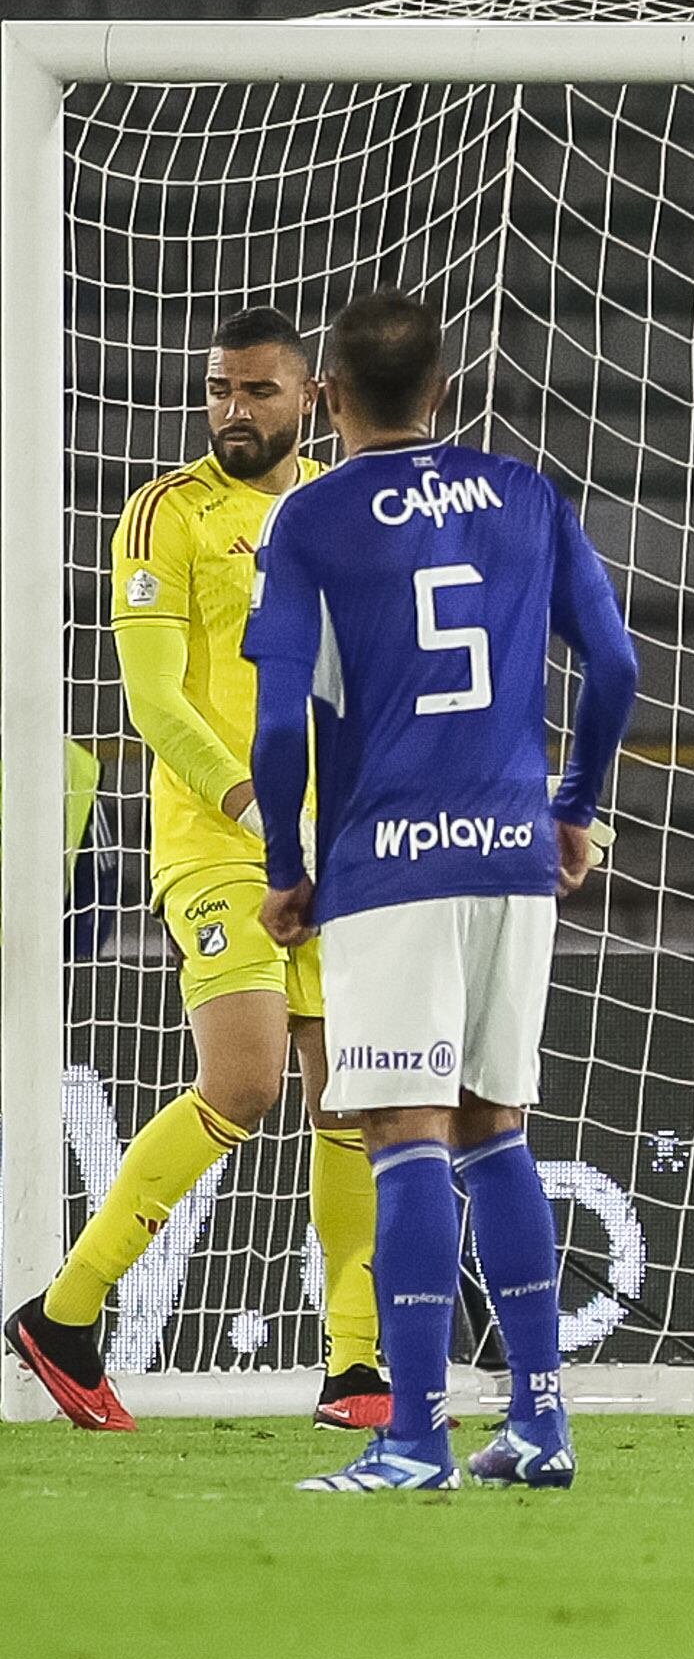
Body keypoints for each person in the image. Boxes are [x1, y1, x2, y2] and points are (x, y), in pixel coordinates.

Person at [241, 291, 639, 1492]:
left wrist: (284, 872)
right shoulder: (525, 495)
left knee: (404, 1130)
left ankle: (413, 1434)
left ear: (326, 398)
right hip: (514, 854)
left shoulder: (309, 517)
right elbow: (613, 663)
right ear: (445, 390)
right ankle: (539, 1421)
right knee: (494, 1127)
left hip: (393, 859)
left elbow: (275, 726)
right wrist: (573, 808)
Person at [8, 310, 390, 1436]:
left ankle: (355, 1369)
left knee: (353, 1097)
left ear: (310, 397)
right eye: (219, 389)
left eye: (257, 392)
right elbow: (154, 700)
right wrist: (257, 806)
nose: (232, 410)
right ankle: (65, 1314)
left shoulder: (339, 508)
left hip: (338, 845)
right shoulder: (163, 514)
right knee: (247, 1081)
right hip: (223, 839)